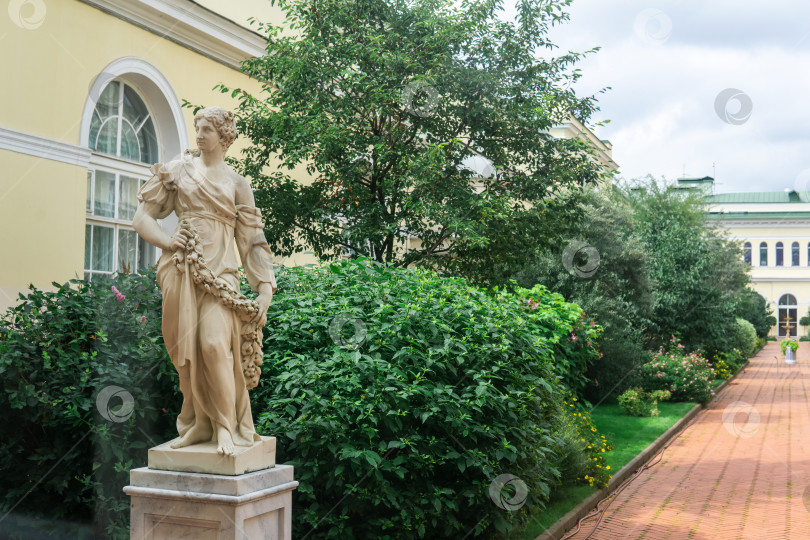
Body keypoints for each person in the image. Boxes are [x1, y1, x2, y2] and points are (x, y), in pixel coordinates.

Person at [133, 107, 277, 456]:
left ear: (224, 136)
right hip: (180, 270)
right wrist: (168, 242)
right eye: (197, 127)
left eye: (208, 129)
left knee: (214, 346)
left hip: (222, 273)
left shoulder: (237, 183)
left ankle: (226, 429)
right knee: (184, 355)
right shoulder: (178, 170)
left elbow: (252, 241)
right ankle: (199, 425)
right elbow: (141, 218)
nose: (199, 135)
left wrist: (264, 288)